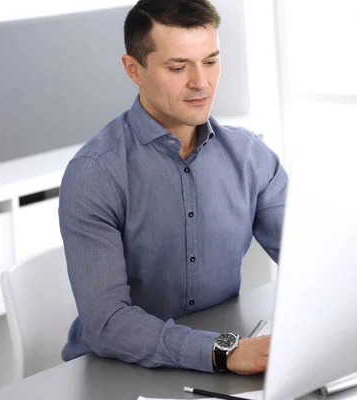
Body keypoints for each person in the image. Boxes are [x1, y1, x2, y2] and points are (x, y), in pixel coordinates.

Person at [59, 0, 287, 375]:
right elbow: (107, 324)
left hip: (215, 362)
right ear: (134, 69)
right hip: (116, 373)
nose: (201, 83)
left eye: (211, 61)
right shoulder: (96, 173)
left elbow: (308, 254)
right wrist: (221, 352)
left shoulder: (250, 156)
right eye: (178, 67)